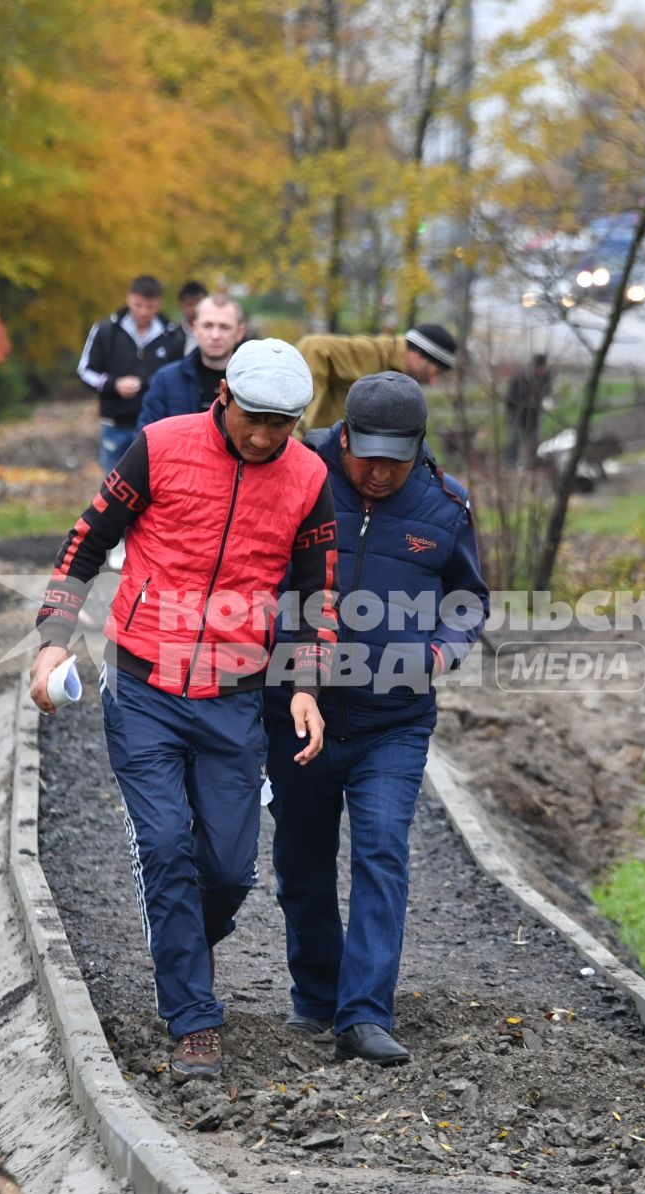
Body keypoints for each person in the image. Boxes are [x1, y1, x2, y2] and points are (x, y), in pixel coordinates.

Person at [31, 338, 340, 1081]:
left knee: (230, 871)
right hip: (142, 684)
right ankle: (193, 1020)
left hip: (234, 698)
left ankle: (181, 948)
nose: (265, 437)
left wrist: (305, 684)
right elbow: (86, 541)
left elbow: (314, 593)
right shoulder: (159, 447)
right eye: (254, 420)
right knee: (166, 845)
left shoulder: (308, 478)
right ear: (225, 398)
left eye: (283, 425)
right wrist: (51, 640)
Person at [264, 372, 489, 1066]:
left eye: (397, 458)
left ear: (419, 447)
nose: (380, 471)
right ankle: (318, 997)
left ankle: (364, 1016)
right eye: (368, 456)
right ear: (346, 438)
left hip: (393, 721)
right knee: (301, 861)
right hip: (299, 709)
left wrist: (441, 653)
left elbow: (469, 600)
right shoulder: (296, 477)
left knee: (382, 853)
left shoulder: (446, 504)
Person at [77, 275, 186, 478]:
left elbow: (178, 379)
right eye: (138, 305)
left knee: (151, 484)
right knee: (111, 486)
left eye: (150, 306)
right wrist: (114, 384)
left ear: (160, 303)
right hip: (114, 423)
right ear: (128, 298)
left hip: (155, 425)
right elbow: (85, 371)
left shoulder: (173, 337)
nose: (144, 312)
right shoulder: (105, 330)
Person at [295, 323, 457, 433]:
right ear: (421, 358)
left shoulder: (396, 378)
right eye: (435, 372)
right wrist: (297, 423)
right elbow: (314, 347)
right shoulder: (374, 353)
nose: (432, 382)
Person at [137, 294, 245, 427]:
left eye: (224, 327)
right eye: (207, 326)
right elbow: (146, 437)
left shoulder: (252, 382)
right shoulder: (165, 380)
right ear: (195, 328)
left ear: (240, 332)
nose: (215, 335)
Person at [504, 354, 552, 466]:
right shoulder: (522, 377)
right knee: (514, 438)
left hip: (533, 413)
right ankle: (511, 463)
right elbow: (513, 396)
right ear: (535, 367)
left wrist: (545, 401)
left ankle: (532, 462)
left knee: (534, 438)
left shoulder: (546, 377)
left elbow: (547, 392)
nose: (542, 371)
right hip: (516, 412)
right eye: (540, 368)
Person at [176, 280, 208, 355]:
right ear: (181, 305)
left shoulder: (216, 334)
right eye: (189, 304)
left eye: (198, 303)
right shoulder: (172, 336)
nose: (194, 309)